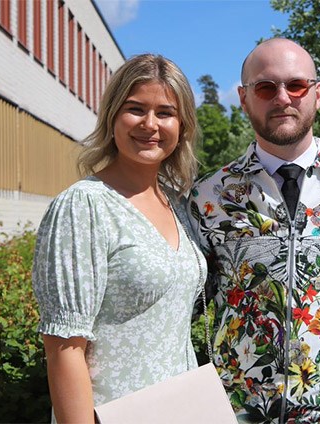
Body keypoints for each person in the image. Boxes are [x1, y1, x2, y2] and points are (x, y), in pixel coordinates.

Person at [188, 38, 320, 423]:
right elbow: (188, 305)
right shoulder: (210, 194)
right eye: (266, 87)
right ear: (244, 99)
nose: (282, 98)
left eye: (296, 85)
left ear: (317, 95)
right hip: (240, 416)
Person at [32, 54, 205, 422]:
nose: (150, 124)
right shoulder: (85, 206)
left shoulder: (178, 204)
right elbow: (63, 346)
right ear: (112, 117)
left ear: (182, 125)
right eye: (135, 108)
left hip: (185, 409)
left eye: (165, 112)